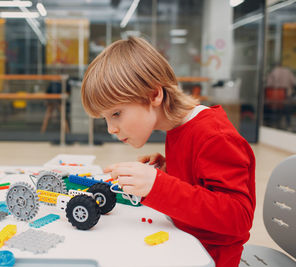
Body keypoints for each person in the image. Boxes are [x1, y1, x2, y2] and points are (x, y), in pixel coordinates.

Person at [81, 36, 255, 267]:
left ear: (154, 95)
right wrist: (169, 171)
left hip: (210, 257)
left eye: (116, 114)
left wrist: (159, 185)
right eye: (105, 118)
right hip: (186, 242)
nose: (111, 128)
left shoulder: (214, 135)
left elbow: (238, 217)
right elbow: (201, 187)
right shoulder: (179, 127)